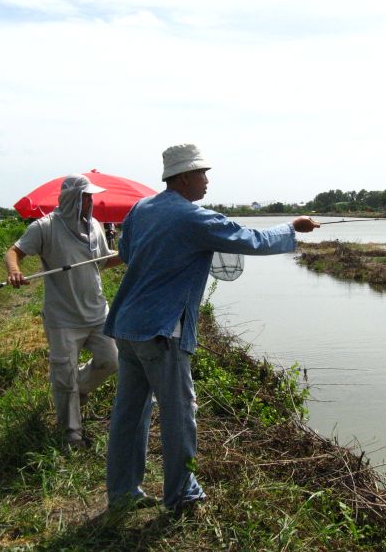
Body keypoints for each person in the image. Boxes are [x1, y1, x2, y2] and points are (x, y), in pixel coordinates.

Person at [103, 143, 320, 512]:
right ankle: (181, 495)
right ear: (185, 176)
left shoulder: (141, 209)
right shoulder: (193, 218)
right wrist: (292, 227)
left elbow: (126, 251)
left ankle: (123, 491)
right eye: (203, 174)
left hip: (127, 326)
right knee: (178, 414)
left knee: (129, 413)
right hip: (162, 331)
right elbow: (253, 239)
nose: (207, 181)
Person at [5, 173, 121, 449]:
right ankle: (72, 433)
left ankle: (78, 385)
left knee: (111, 361)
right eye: (86, 196)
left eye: (91, 196)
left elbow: (103, 262)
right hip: (62, 318)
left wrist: (131, 252)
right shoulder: (45, 227)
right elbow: (14, 252)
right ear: (71, 199)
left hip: (96, 312)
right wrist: (15, 271)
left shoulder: (94, 225)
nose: (90, 201)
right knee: (63, 372)